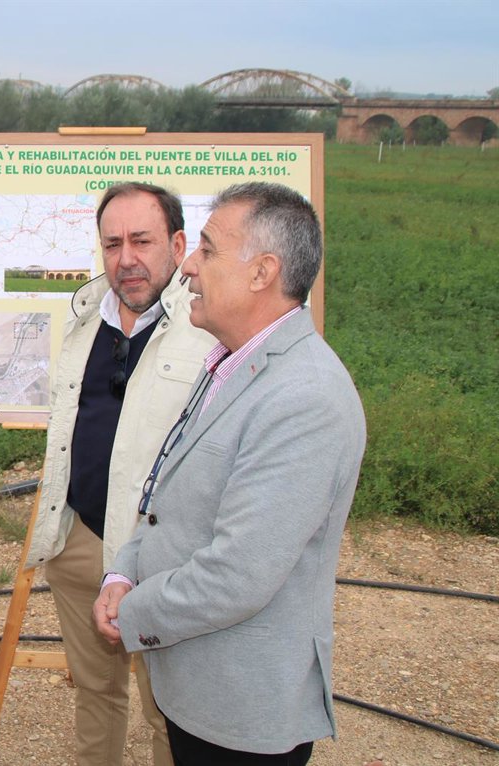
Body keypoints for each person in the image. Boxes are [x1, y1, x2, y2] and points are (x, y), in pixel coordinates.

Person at [94, 182, 367, 765]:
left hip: (241, 713)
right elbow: (167, 492)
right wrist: (124, 570)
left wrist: (130, 612)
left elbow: (238, 575)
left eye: (209, 250)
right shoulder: (230, 360)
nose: (189, 265)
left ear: (262, 272)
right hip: (196, 690)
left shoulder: (305, 398)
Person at [24, 183, 213, 765]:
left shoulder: (208, 331)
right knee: (95, 694)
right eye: (112, 244)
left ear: (177, 245)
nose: (126, 258)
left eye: (141, 241)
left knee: (171, 712)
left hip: (164, 556)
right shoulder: (85, 321)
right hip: (81, 541)